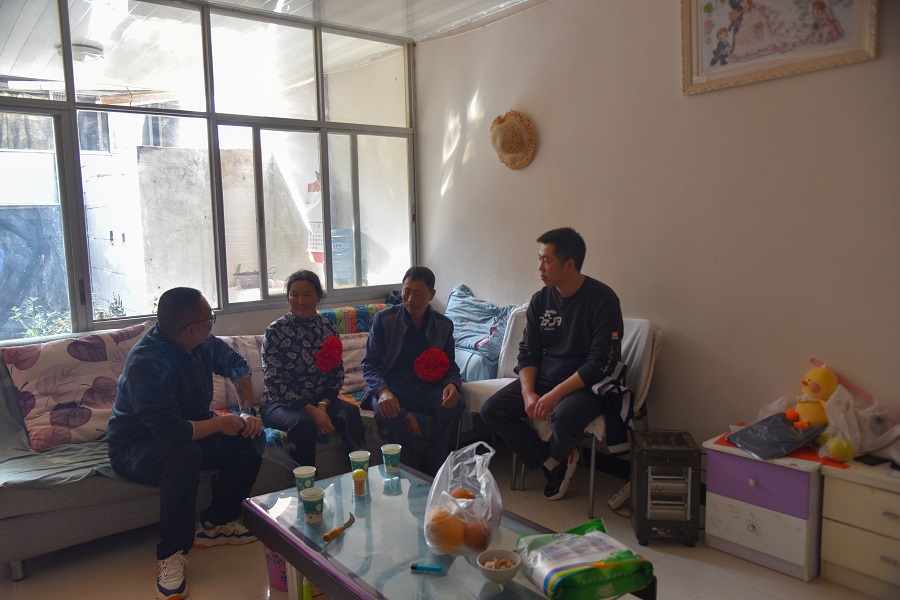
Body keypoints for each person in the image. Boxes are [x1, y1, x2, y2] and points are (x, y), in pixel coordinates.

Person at [107, 287, 264, 600]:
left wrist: (246, 411)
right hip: (136, 447)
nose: (212, 323)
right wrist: (219, 423)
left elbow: (236, 365)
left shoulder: (202, 342)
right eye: (210, 318)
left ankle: (216, 522)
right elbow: (171, 434)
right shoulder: (147, 362)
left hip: (190, 431)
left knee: (250, 435)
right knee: (184, 454)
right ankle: (171, 554)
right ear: (190, 329)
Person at [480, 227, 628, 501]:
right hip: (547, 376)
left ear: (569, 264)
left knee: (562, 415)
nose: (540, 268)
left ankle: (559, 456)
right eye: (540, 259)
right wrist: (529, 394)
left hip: (588, 385)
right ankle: (553, 463)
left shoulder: (603, 300)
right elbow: (528, 352)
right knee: (492, 410)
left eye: (547, 261)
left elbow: (600, 363)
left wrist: (554, 396)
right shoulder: (541, 300)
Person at [361, 266, 465, 476]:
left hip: (426, 389)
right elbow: (369, 364)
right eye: (406, 292)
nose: (410, 299)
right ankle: (410, 470)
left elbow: (450, 366)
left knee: (456, 404)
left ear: (431, 295)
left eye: (418, 293)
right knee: (387, 412)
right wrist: (383, 392)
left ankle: (433, 466)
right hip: (391, 387)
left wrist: (452, 385)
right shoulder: (384, 319)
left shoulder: (443, 325)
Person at [260, 270, 366, 468]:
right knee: (303, 423)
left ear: (318, 296)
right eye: (294, 295)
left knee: (349, 412)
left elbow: (336, 374)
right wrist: (312, 411)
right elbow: (273, 382)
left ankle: (360, 473)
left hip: (319, 399)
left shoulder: (328, 328)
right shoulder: (275, 331)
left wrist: (322, 406)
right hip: (279, 403)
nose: (300, 301)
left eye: (307, 294)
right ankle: (306, 482)